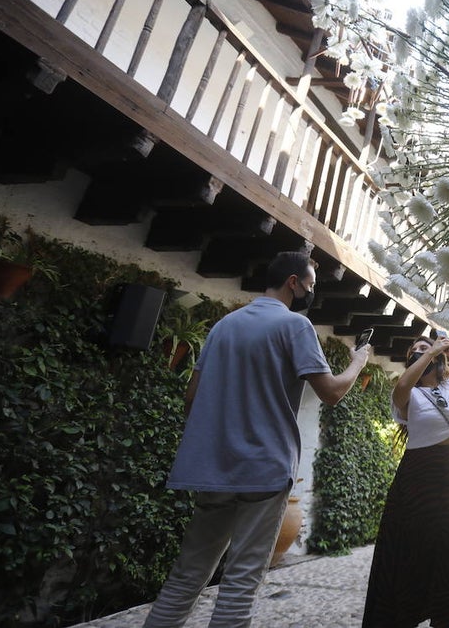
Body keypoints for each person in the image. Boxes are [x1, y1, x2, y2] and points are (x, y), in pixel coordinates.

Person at [144, 251, 371, 628]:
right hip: (265, 469)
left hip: (215, 468)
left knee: (187, 575)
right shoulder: (296, 326)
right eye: (311, 286)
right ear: (293, 283)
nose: (310, 294)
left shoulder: (224, 325)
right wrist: (358, 362)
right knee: (241, 581)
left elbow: (192, 398)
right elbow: (330, 393)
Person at [363, 334, 449, 627]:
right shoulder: (408, 393)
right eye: (414, 351)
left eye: (424, 348)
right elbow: (401, 387)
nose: (419, 352)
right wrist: (430, 352)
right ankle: (408, 613)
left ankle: (445, 617)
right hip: (417, 473)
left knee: (448, 548)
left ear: (440, 357)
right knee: (413, 548)